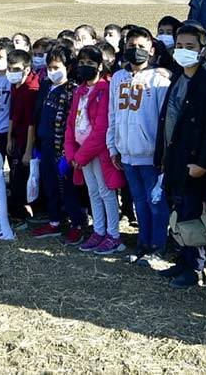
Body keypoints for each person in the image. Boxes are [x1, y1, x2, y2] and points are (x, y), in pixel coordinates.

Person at [156, 21, 206, 289]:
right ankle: (183, 260)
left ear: (202, 49)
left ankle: (195, 267)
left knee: (193, 214)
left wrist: (203, 162)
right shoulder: (178, 76)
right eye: (179, 45)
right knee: (178, 210)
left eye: (190, 46)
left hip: (194, 160)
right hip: (175, 157)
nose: (183, 50)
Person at [107, 26, 173, 266]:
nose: (136, 50)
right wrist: (113, 146)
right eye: (131, 46)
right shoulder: (118, 78)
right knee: (139, 202)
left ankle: (158, 246)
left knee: (155, 202)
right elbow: (113, 114)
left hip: (150, 155)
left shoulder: (159, 80)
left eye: (141, 47)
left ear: (152, 50)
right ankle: (143, 243)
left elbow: (165, 120)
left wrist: (163, 154)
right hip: (126, 153)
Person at [64, 45, 126, 255]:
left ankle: (113, 235)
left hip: (98, 153)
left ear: (100, 66)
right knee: (93, 191)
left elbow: (101, 129)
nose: (85, 66)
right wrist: (72, 153)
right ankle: (98, 231)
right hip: (82, 153)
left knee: (106, 192)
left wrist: (80, 156)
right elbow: (71, 123)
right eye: (82, 63)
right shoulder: (79, 91)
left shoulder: (104, 90)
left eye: (90, 63)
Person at [30, 44, 88, 242]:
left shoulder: (72, 90)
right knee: (49, 186)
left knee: (69, 189)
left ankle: (77, 224)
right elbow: (38, 115)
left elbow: (72, 123)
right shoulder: (46, 86)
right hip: (45, 145)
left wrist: (67, 152)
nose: (52, 71)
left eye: (56, 67)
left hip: (63, 149)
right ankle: (54, 221)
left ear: (68, 67)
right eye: (49, 67)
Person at [5, 49, 41, 226]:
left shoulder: (31, 90)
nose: (12, 72)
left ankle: (21, 216)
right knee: (14, 177)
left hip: (26, 141)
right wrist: (9, 137)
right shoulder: (15, 85)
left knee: (21, 179)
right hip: (16, 137)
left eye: (16, 69)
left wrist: (28, 151)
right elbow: (13, 114)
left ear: (27, 69)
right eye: (9, 68)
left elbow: (31, 123)